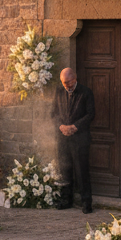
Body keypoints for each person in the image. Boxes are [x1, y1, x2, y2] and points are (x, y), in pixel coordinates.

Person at [53, 68, 95, 213]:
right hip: (63, 138)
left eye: (69, 82)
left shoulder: (86, 92)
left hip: (80, 139)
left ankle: (86, 203)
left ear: (75, 78)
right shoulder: (59, 91)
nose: (67, 86)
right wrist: (61, 126)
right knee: (64, 169)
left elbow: (90, 114)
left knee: (81, 171)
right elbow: (54, 113)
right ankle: (66, 200)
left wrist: (75, 126)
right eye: (64, 83)